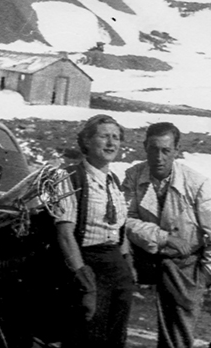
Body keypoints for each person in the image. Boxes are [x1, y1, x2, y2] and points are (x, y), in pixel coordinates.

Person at [122, 122, 211, 348]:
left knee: (177, 336)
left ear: (176, 150)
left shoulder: (197, 183)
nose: (159, 157)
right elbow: (124, 219)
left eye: (166, 150)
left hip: (185, 263)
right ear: (145, 147)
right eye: (153, 149)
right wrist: (164, 237)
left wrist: (206, 275)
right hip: (145, 256)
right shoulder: (134, 175)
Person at [53, 114, 134, 348]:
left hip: (116, 266)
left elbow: (120, 228)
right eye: (104, 136)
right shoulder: (70, 177)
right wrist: (83, 279)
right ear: (87, 141)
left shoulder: (114, 181)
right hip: (88, 265)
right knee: (87, 335)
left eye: (116, 137)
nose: (111, 143)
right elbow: (65, 234)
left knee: (115, 337)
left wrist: (127, 263)